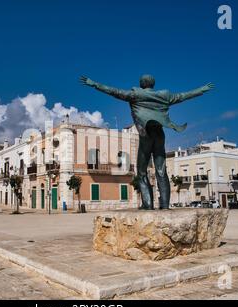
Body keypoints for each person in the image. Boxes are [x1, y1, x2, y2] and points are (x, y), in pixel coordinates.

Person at [81, 74, 214, 209]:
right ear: (153, 84)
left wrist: (94, 84)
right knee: (161, 171)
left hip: (146, 136)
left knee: (142, 172)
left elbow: (114, 92)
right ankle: (165, 206)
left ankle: (148, 205)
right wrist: (201, 90)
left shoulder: (135, 94)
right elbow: (183, 96)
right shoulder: (164, 95)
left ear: (141, 84)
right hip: (160, 135)